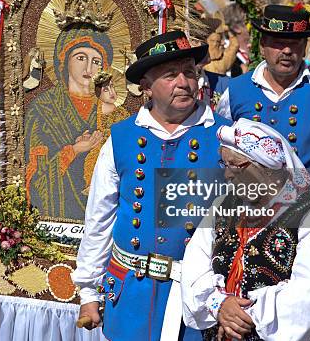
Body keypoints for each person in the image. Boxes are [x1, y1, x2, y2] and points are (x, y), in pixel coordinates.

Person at [73, 30, 230, 341]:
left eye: (189, 72)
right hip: (131, 294)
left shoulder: (225, 136)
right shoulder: (120, 139)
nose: (184, 82)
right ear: (145, 87)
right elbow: (99, 220)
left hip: (197, 299)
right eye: (171, 75)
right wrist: (89, 291)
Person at [182, 118, 310, 340]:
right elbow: (194, 264)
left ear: (266, 169)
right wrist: (218, 304)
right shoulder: (222, 206)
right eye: (224, 164)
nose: (227, 175)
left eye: (235, 166)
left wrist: (239, 314)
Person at [216, 4, 310, 174]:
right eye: (279, 43)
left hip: (309, 197)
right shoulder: (235, 90)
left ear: (304, 48)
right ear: (262, 46)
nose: (287, 50)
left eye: (294, 44)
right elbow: (221, 150)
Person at [24, 25, 113, 220]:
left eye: (96, 61)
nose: (89, 69)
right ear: (64, 60)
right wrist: (74, 150)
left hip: (103, 216)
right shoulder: (43, 108)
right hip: (55, 220)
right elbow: (34, 176)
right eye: (81, 58)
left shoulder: (112, 110)